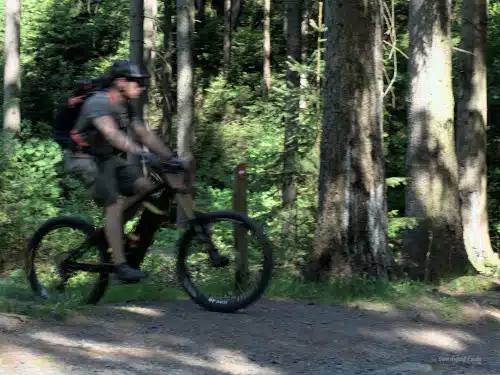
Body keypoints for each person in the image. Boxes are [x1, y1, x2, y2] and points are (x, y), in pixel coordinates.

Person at [64, 60, 181, 282]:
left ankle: (112, 235)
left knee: (146, 189)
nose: (141, 86)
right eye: (136, 81)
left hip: (107, 158)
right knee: (114, 203)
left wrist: (170, 158)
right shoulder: (99, 102)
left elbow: (145, 134)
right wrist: (143, 154)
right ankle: (119, 264)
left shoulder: (127, 105)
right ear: (120, 82)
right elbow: (112, 135)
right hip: (83, 158)